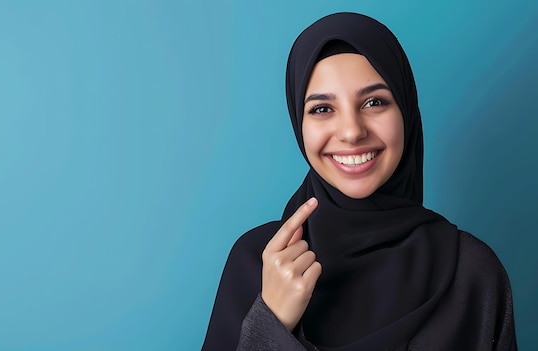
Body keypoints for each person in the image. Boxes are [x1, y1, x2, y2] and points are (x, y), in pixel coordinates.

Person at [201, 12, 517, 351]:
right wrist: (271, 320)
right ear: (298, 122)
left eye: (374, 102)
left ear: (406, 111)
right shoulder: (257, 263)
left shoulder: (471, 273)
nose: (352, 131)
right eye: (322, 109)